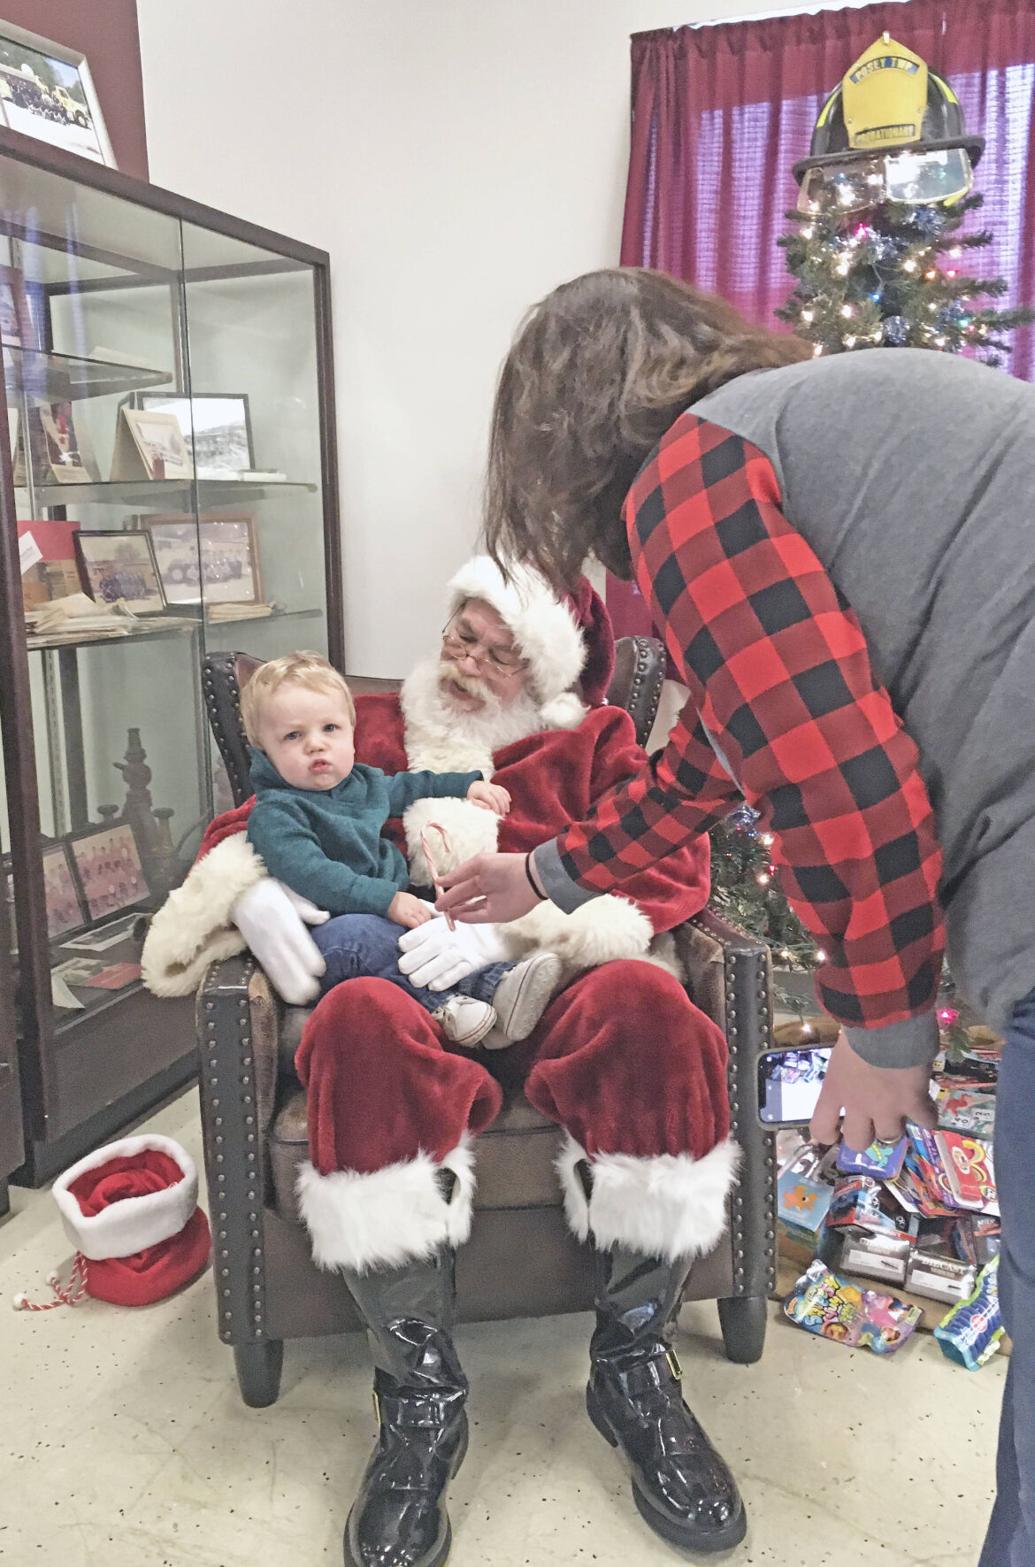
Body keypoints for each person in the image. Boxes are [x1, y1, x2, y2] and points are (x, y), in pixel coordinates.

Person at [434, 266, 1035, 1567]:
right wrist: (537, 878)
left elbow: (833, 773)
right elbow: (712, 761)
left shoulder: (692, 478)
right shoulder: (800, 436)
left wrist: (879, 1027)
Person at [142, 553, 745, 1564]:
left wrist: (522, 928)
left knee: (656, 1008)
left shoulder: (594, 741)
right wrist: (246, 882)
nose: (461, 660)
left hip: (551, 978)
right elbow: (258, 805)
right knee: (354, 1023)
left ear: (544, 669)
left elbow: (672, 858)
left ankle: (634, 1370)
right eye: (456, 635)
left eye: (493, 650)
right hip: (402, 982)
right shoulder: (377, 728)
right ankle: (421, 1404)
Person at [239, 649, 564, 1047]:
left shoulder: (360, 785)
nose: (315, 746)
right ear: (263, 752)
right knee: (362, 937)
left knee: (437, 931)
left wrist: (468, 784)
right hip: (327, 934)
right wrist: (386, 899)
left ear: (350, 732)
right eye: (293, 736)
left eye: (330, 729)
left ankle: (498, 991)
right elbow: (313, 873)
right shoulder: (276, 813)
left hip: (391, 910)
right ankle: (447, 1007)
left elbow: (412, 786)